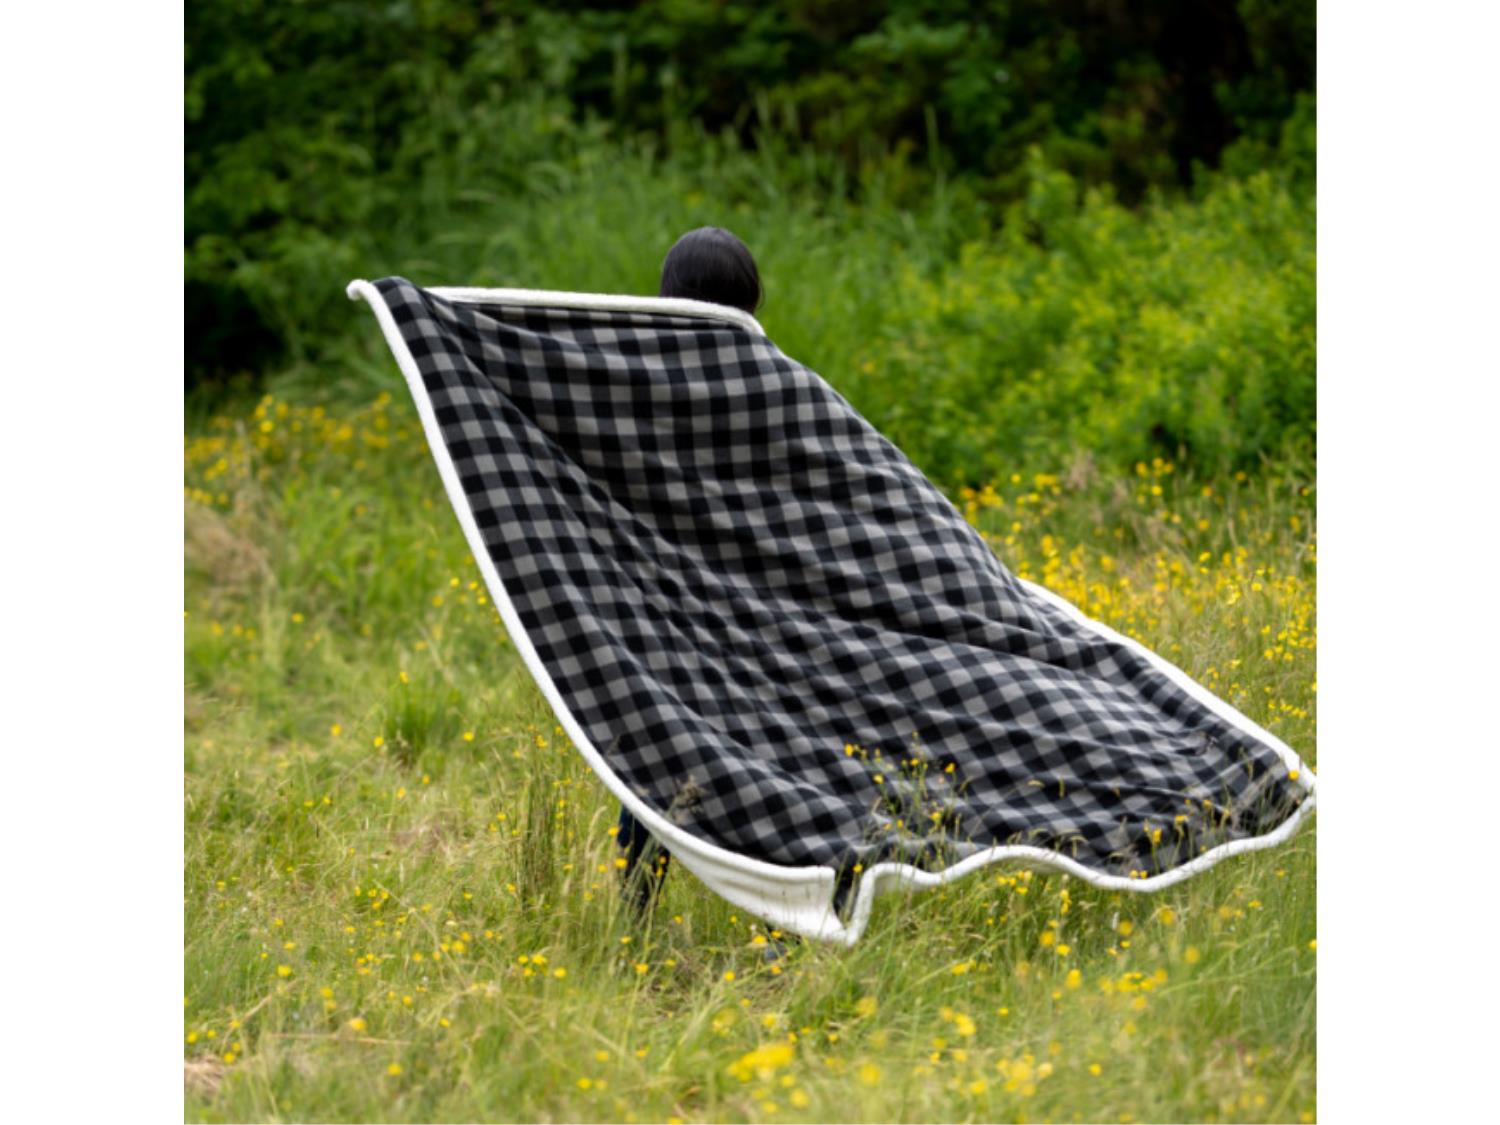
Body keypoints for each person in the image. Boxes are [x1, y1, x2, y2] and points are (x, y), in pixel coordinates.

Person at [614, 226, 764, 916]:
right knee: (765, 762)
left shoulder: (631, 382)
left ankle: (634, 915)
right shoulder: (772, 387)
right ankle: (784, 921)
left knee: (653, 761)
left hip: (659, 615)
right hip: (750, 617)